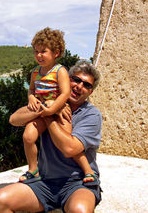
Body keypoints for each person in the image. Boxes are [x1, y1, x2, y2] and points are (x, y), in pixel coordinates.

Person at [0, 60, 102, 213]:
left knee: (80, 211)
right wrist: (48, 106)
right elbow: (14, 119)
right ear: (66, 80)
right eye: (76, 80)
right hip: (45, 181)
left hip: (78, 182)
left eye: (87, 85)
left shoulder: (91, 114)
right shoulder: (48, 101)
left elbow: (69, 149)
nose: (79, 86)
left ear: (90, 92)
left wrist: (49, 115)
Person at [14, 27, 97, 186]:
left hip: (58, 112)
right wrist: (31, 97)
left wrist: (52, 109)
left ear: (56, 53)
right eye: (36, 51)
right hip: (42, 111)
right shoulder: (35, 72)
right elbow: (32, 89)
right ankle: (33, 170)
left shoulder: (60, 71)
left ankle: (88, 171)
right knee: (28, 137)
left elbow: (65, 93)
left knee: (68, 144)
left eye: (43, 51)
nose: (39, 55)